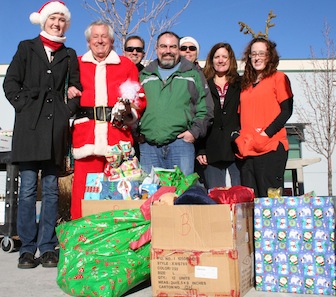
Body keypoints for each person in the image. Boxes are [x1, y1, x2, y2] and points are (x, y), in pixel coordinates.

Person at [3, 1, 81, 269]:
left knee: (49, 190)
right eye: (53, 18)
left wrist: (66, 109)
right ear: (44, 21)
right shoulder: (27, 48)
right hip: (29, 128)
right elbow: (10, 82)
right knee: (27, 189)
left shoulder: (69, 54)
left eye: (62, 19)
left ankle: (47, 246)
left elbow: (76, 86)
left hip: (54, 130)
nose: (57, 23)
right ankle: (27, 247)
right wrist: (25, 105)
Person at [70, 21, 146, 220]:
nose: (100, 40)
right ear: (88, 41)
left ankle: (117, 239)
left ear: (112, 41)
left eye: (104, 36)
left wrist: (129, 109)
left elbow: (139, 97)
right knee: (83, 193)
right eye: (95, 36)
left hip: (117, 137)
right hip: (87, 138)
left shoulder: (126, 65)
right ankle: (81, 238)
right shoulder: (77, 64)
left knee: (120, 191)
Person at [139, 31, 213, 176]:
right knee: (150, 196)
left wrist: (194, 132)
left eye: (172, 47)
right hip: (149, 148)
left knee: (181, 196)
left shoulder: (193, 74)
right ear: (156, 49)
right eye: (163, 46)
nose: (168, 51)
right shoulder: (145, 75)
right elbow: (134, 108)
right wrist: (137, 131)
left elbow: (206, 107)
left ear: (178, 49)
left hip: (180, 146)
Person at [235, 37, 293, 197]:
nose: (257, 57)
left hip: (270, 147)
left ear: (269, 56)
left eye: (262, 53)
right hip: (248, 150)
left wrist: (265, 134)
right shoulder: (245, 85)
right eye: (253, 54)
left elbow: (286, 111)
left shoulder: (278, 78)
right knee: (250, 203)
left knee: (269, 203)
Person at [196, 43, 241, 189]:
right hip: (211, 149)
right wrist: (200, 148)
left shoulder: (241, 83)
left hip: (237, 149)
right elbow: (198, 116)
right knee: (216, 199)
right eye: (217, 57)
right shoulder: (204, 84)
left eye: (224, 57)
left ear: (231, 59)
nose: (220, 60)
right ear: (211, 60)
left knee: (239, 197)